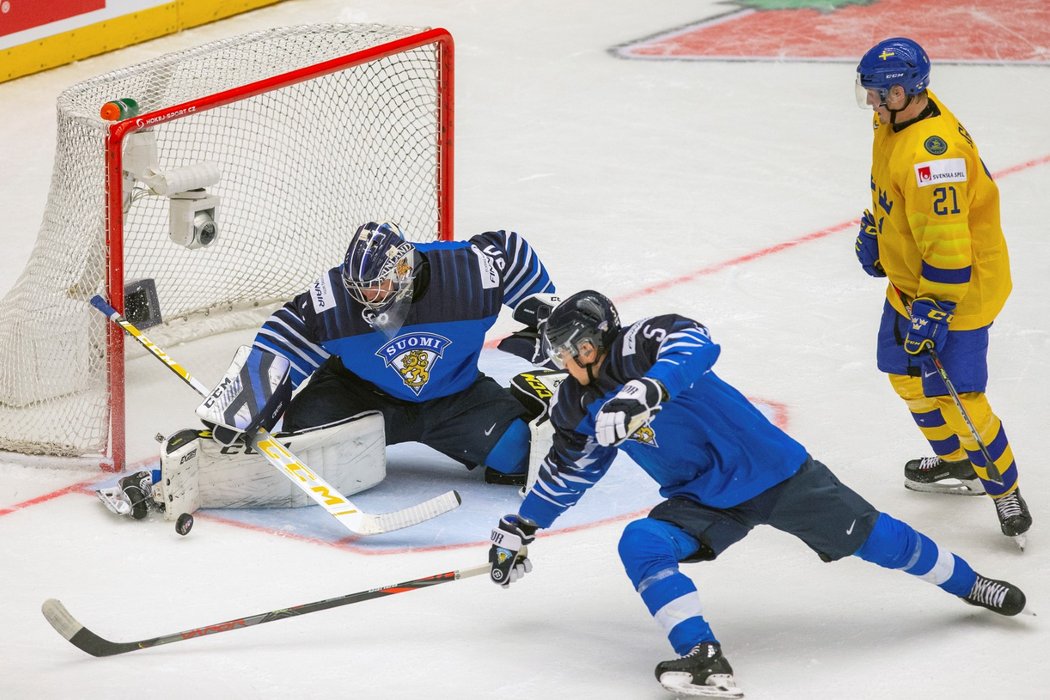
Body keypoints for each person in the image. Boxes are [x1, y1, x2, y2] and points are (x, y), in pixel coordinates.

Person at [485, 291, 1027, 698]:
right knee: (642, 542)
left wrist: (647, 389)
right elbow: (568, 472)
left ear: (589, 342)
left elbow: (694, 339)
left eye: (564, 350)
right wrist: (521, 527)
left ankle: (970, 583)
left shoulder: (639, 345)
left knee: (878, 541)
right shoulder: (576, 405)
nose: (558, 361)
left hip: (774, 472)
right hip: (702, 499)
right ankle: (702, 656)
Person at [98, 222, 559, 521]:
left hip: (456, 398)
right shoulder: (335, 298)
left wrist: (541, 312)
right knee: (302, 447)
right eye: (359, 287)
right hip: (363, 394)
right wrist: (245, 405)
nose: (367, 298)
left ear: (402, 269)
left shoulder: (464, 274)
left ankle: (522, 405)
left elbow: (511, 252)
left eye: (377, 285)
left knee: (520, 458)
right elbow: (283, 336)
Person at [852, 37, 1030, 544]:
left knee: (963, 398)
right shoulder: (893, 119)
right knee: (907, 378)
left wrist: (936, 310)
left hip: (958, 293)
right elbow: (893, 193)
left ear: (907, 90)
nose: (870, 102)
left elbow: (951, 251)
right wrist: (878, 234)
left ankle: (1005, 489)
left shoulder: (936, 160)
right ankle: (960, 465)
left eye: (879, 93)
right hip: (912, 283)